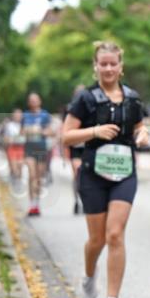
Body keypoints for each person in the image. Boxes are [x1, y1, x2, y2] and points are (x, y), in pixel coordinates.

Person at [61, 41, 149, 298]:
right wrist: (95, 131)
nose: (108, 68)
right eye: (103, 64)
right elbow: (66, 136)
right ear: (95, 67)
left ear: (121, 67)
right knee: (97, 239)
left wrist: (142, 135)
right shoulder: (85, 99)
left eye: (113, 63)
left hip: (124, 173)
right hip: (93, 174)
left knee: (115, 234)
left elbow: (140, 126)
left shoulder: (132, 98)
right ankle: (89, 274)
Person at [22, 93, 53, 215]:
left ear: (40, 101)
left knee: (39, 177)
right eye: (31, 100)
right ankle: (32, 205)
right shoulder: (25, 115)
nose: (33, 102)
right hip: (29, 148)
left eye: (35, 100)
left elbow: (50, 131)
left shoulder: (45, 115)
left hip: (41, 148)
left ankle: (37, 203)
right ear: (28, 103)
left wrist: (41, 131)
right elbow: (21, 132)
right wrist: (27, 131)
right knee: (31, 175)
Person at [64, 85, 87, 214]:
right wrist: (64, 152)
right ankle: (77, 201)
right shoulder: (70, 109)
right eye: (78, 93)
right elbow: (64, 131)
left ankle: (86, 201)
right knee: (78, 173)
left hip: (89, 147)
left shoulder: (92, 107)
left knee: (87, 176)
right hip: (75, 148)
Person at [3, 109, 25, 184]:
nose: (17, 116)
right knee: (14, 168)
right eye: (16, 115)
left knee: (20, 167)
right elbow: (5, 138)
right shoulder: (9, 125)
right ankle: (14, 178)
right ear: (13, 116)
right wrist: (9, 141)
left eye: (19, 115)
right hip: (12, 148)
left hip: (22, 148)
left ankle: (18, 181)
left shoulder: (24, 125)